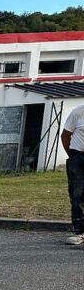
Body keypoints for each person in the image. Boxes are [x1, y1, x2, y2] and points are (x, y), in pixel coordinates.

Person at [61, 103, 84, 245]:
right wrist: (73, 157)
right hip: (78, 157)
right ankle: (80, 231)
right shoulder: (78, 112)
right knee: (78, 195)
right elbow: (65, 136)